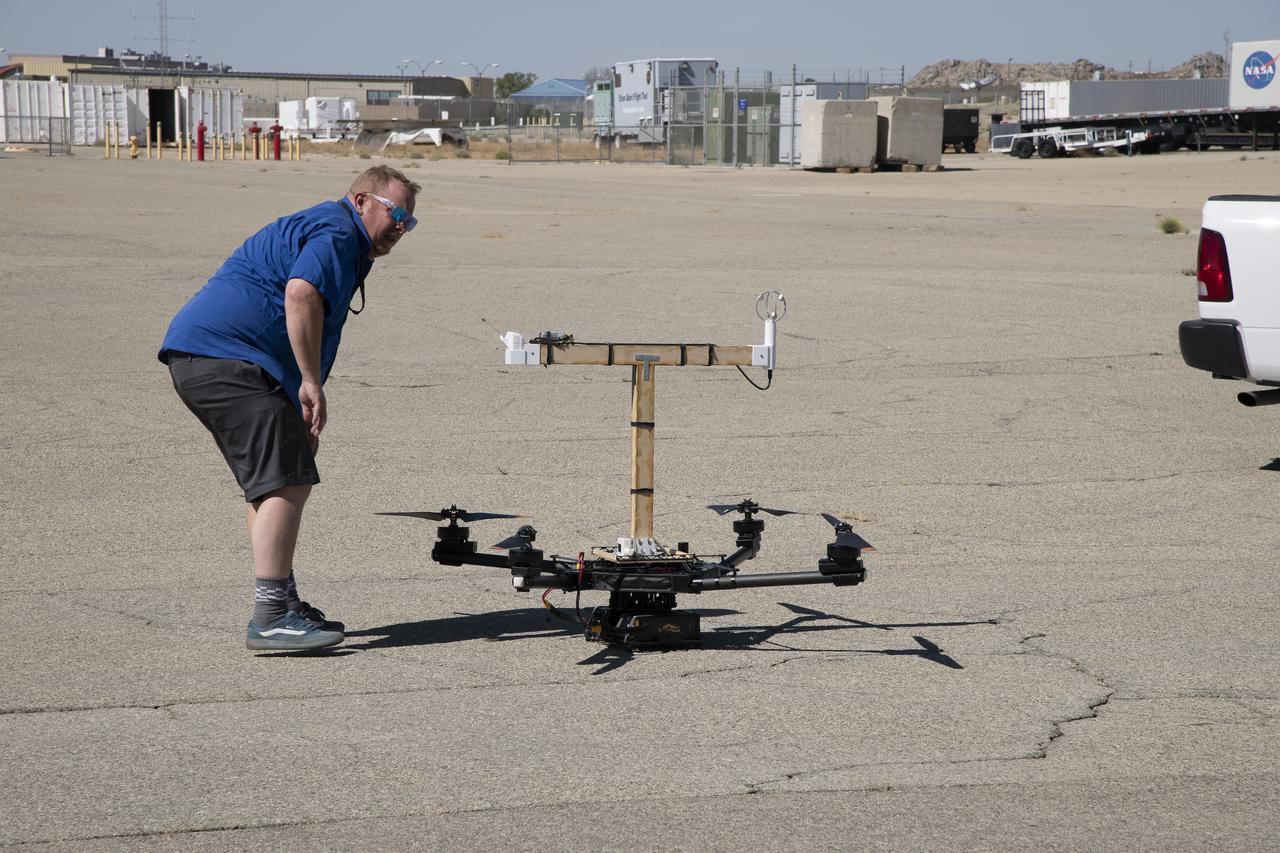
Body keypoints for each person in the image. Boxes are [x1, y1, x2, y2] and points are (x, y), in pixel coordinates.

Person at [159, 165, 421, 652]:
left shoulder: (334, 230)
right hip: (228, 359)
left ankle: (285, 602)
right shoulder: (340, 232)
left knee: (274, 484)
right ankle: (271, 615)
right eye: (397, 212)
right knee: (287, 481)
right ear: (362, 200)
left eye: (411, 220)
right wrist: (309, 381)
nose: (402, 226)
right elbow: (301, 293)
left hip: (212, 359)